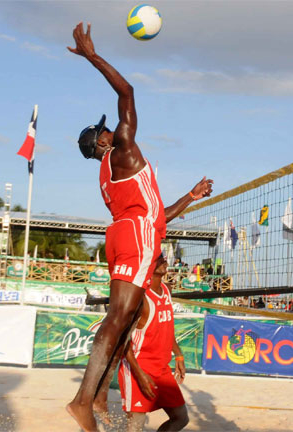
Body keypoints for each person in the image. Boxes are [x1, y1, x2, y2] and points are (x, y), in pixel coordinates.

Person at [65, 22, 213, 432]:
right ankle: (84, 399)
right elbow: (127, 93)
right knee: (118, 318)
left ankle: (95, 394)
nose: (113, 128)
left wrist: (190, 196)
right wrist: (92, 55)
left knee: (127, 317)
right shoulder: (123, 149)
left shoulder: (111, 175)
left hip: (127, 233)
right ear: (102, 141)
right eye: (106, 130)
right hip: (136, 236)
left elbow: (155, 214)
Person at [103, 254, 189, 432]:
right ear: (148, 267)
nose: (165, 262)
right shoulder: (140, 298)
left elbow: (166, 328)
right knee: (135, 426)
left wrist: (178, 355)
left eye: (165, 259)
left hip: (162, 368)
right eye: (160, 260)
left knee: (181, 418)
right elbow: (123, 339)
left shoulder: (166, 290)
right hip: (138, 368)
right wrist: (140, 375)